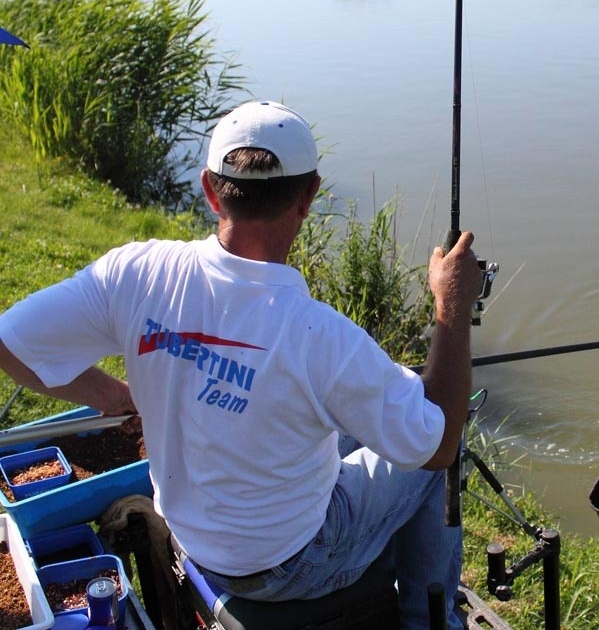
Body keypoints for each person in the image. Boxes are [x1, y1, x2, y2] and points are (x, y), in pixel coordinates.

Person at [0, 100, 482, 630]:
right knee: (445, 436)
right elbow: (434, 445)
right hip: (291, 565)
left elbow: (10, 345)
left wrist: (108, 393)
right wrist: (451, 308)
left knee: (393, 404)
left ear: (210, 190)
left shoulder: (135, 272)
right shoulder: (320, 337)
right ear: (308, 198)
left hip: (193, 533)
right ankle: (433, 622)